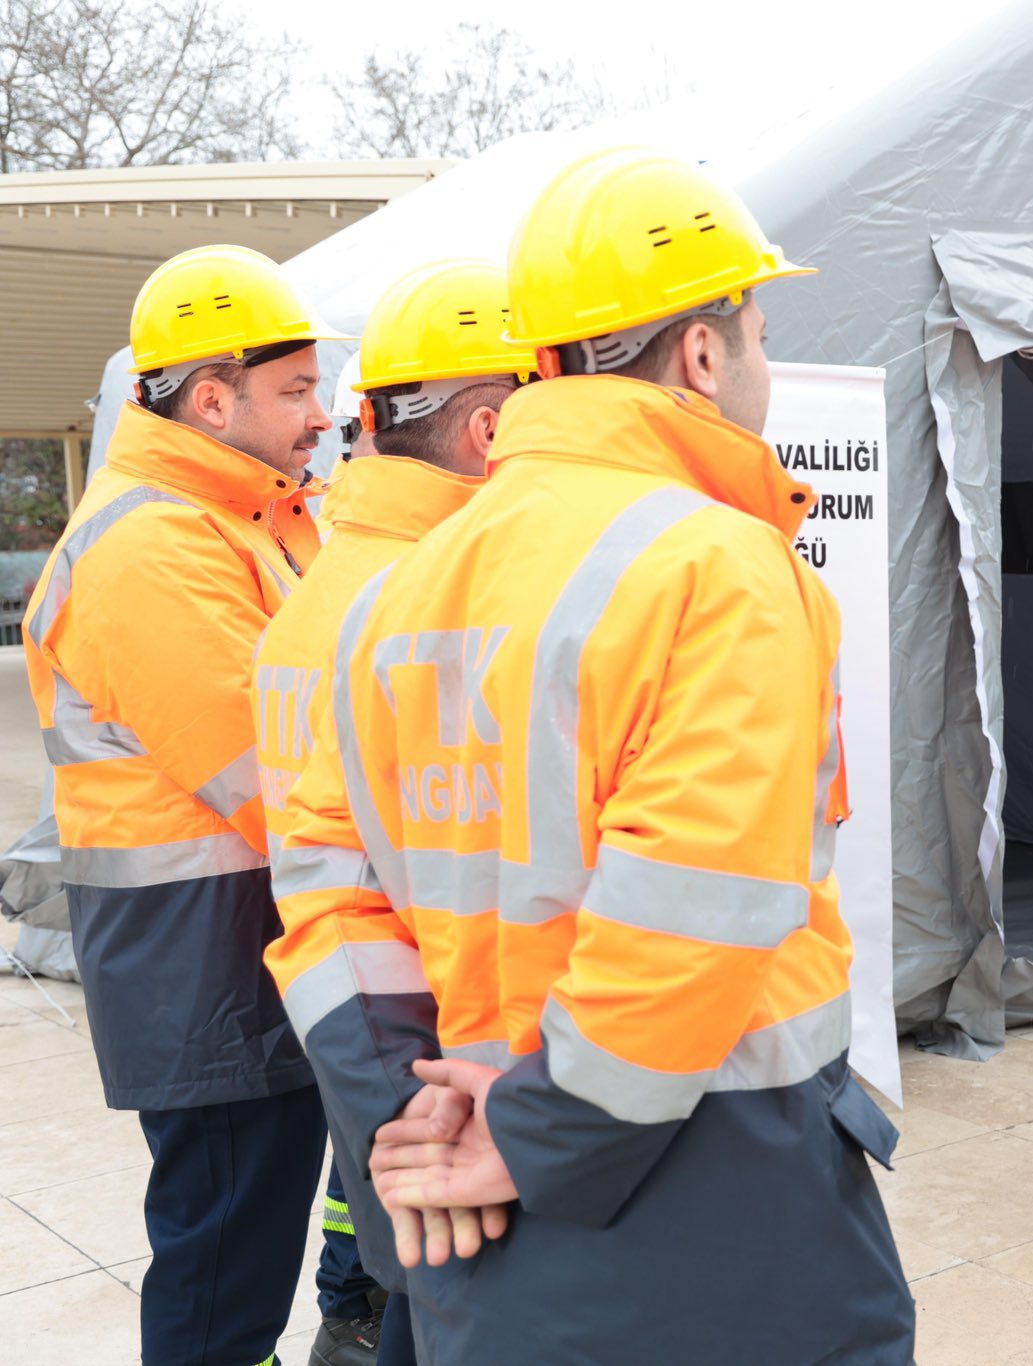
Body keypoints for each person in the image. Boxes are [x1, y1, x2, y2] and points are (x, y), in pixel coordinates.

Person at [267, 147, 916, 1363]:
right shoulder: (718, 565)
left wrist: (413, 1122)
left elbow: (322, 891)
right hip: (713, 1191)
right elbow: (693, 907)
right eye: (759, 330)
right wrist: (536, 1134)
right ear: (705, 353)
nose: (762, 364)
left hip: (476, 1204)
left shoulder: (390, 594)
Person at [21, 244, 341, 1365]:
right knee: (221, 1277)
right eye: (295, 388)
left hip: (238, 954)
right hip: (203, 969)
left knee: (241, 1253)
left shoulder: (240, 516)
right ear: (214, 397)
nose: (321, 413)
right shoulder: (153, 544)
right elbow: (276, 770)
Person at [257, 259, 535, 1366]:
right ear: (482, 431)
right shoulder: (446, 604)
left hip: (371, 1052)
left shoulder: (321, 593)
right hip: (457, 1088)